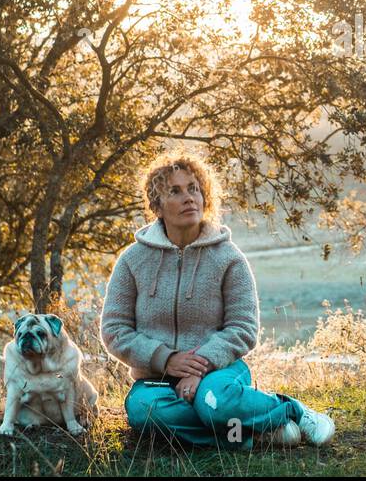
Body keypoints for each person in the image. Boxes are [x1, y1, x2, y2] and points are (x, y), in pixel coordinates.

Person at [100, 151, 335, 449]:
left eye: (194, 189)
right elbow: (115, 330)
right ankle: (248, 436)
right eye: (175, 191)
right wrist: (167, 359)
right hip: (156, 377)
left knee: (215, 404)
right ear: (157, 205)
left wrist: (200, 367)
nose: (189, 198)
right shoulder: (133, 260)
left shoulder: (228, 257)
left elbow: (243, 327)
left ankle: (293, 410)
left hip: (219, 371)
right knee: (145, 412)